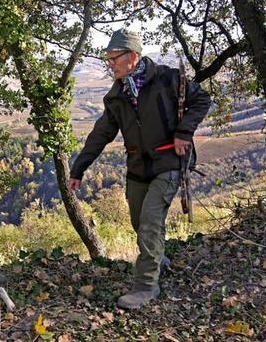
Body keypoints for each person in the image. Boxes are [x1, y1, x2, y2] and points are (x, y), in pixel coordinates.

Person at [67, 30, 211, 309]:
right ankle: (156, 258)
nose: (110, 64)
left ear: (133, 56)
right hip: (138, 166)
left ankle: (146, 286)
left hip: (170, 162)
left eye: (114, 58)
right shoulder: (117, 96)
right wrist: (78, 169)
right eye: (107, 59)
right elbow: (100, 134)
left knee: (149, 222)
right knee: (138, 222)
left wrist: (183, 132)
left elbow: (201, 100)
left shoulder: (169, 79)